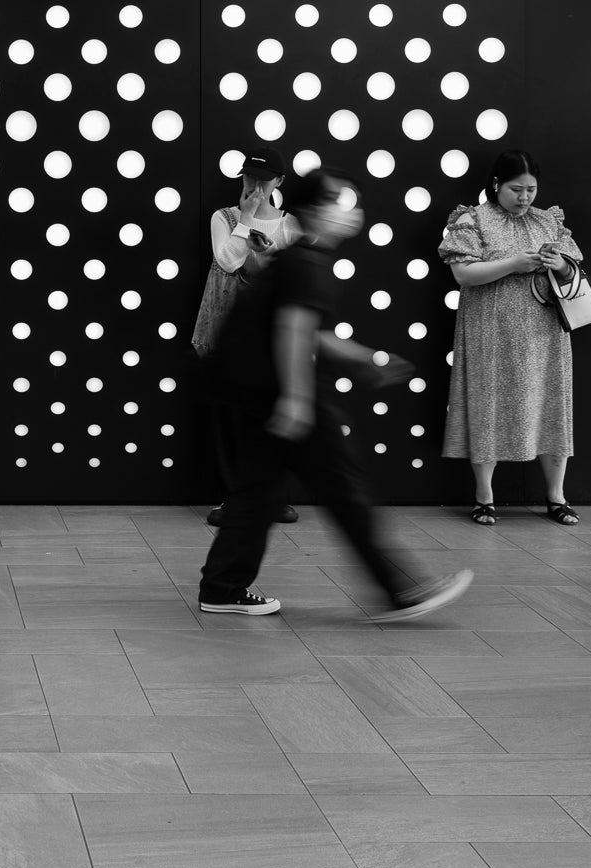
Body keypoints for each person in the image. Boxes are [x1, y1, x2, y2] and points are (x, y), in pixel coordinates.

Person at [197, 168, 473, 621]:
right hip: (283, 394)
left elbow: (309, 332)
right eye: (341, 203)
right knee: (343, 488)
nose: (352, 211)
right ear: (315, 212)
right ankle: (400, 590)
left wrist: (366, 360)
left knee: (256, 493)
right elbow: (293, 330)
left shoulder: (299, 258)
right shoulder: (307, 263)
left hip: (258, 392)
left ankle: (223, 587)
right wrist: (296, 401)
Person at [440, 149, 584, 526]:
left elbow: (574, 271)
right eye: (516, 189)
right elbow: (463, 275)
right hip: (490, 331)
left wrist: (562, 266)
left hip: (544, 332)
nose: (524, 197)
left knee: (552, 407)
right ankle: (484, 496)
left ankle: (557, 497)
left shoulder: (548, 221)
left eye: (531, 190)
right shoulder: (472, 219)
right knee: (486, 408)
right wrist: (513, 265)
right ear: (496, 185)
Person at [196, 147, 302, 528]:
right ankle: (235, 498)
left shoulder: (292, 225)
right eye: (249, 178)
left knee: (274, 417)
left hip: (275, 332)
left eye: (264, 179)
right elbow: (225, 261)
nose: (255, 185)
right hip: (231, 330)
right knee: (232, 418)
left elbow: (288, 279)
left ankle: (273, 497)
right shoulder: (223, 217)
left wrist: (267, 252)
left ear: (280, 181)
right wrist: (247, 219)